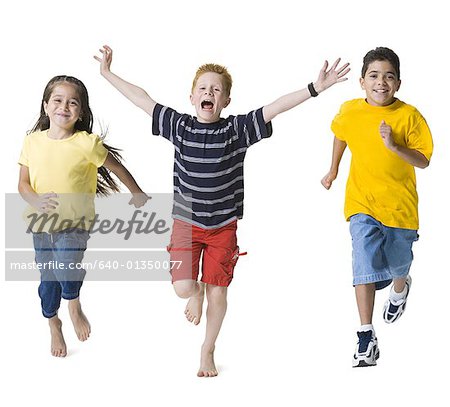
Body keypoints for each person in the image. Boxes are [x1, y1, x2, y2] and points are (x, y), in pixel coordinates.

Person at [94, 45, 350, 377]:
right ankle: (195, 292)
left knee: (220, 290)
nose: (209, 92)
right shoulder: (180, 126)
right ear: (191, 97)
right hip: (185, 223)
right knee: (183, 287)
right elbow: (143, 100)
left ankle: (208, 348)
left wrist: (315, 88)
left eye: (216, 90)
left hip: (222, 228)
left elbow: (274, 108)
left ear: (225, 101)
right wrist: (108, 73)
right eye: (203, 88)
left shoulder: (236, 130)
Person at [18, 75, 150, 357]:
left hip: (75, 224)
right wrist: (35, 199)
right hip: (41, 225)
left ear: (81, 112)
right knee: (48, 279)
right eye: (57, 100)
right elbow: (22, 184)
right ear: (45, 105)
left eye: (72, 102)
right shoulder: (32, 142)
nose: (64, 107)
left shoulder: (86, 143)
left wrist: (136, 192)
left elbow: (117, 168)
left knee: (67, 265)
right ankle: (53, 321)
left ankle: (74, 304)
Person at [321, 47, 433, 367]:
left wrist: (395, 146)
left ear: (398, 83)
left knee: (399, 264)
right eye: (373, 76)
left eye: (388, 77)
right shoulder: (350, 111)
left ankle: (400, 289)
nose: (381, 82)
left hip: (400, 208)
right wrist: (333, 170)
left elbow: (423, 161)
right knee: (363, 260)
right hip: (361, 203)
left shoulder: (409, 116)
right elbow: (341, 135)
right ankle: (366, 336)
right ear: (361, 82)